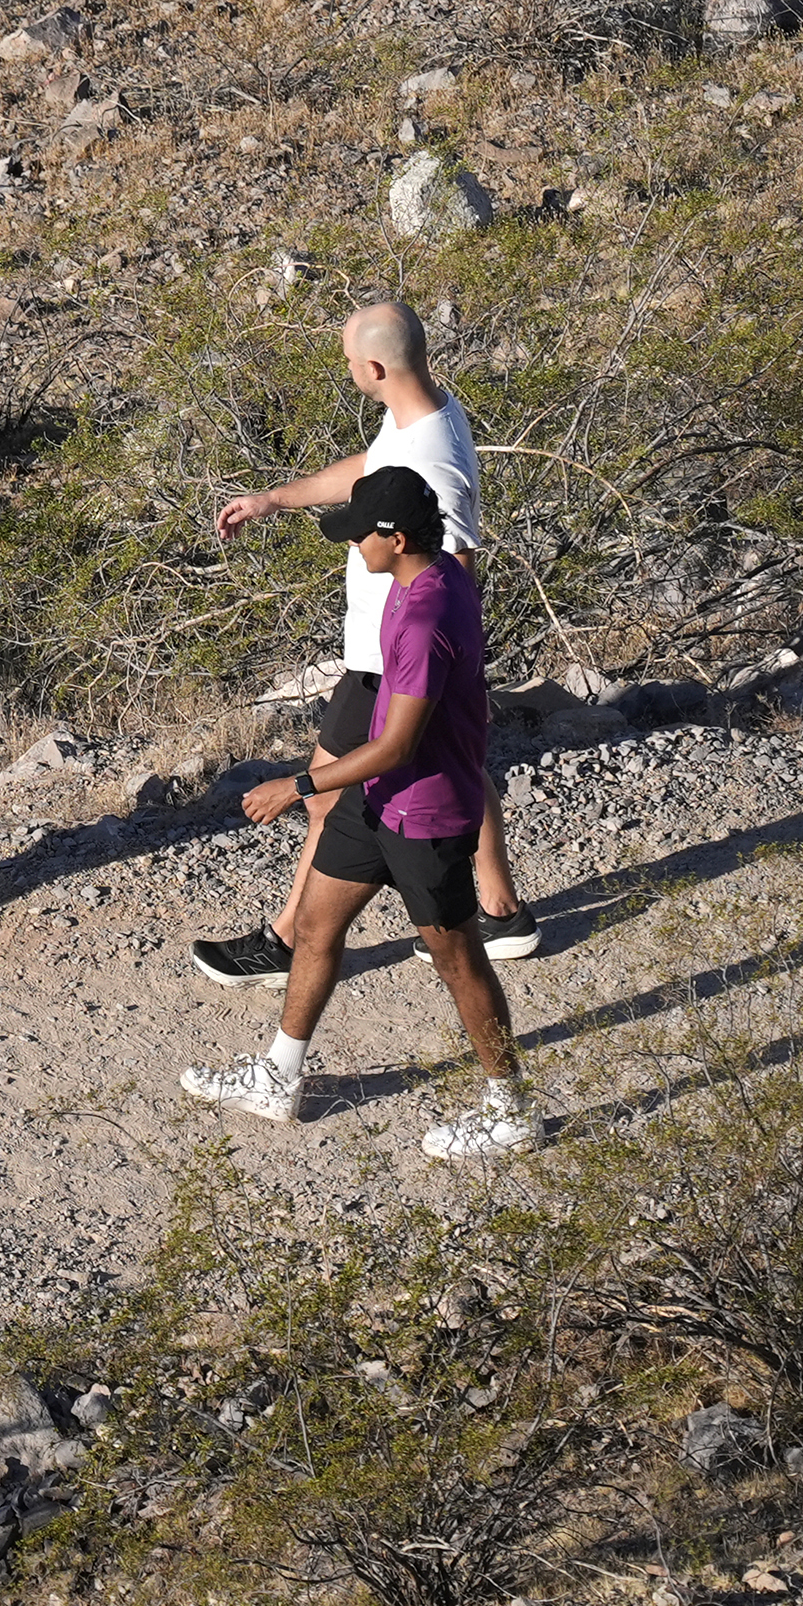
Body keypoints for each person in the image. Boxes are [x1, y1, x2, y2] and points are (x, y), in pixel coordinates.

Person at [182, 466, 538, 1160]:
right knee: (315, 926)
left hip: (426, 813)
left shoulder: (432, 612)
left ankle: (511, 1109)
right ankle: (278, 1078)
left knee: (458, 960)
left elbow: (398, 744)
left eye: (358, 538)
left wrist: (300, 785)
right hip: (376, 801)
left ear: (397, 537)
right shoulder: (421, 576)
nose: (352, 548)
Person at [189, 300, 538, 989]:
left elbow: (458, 561)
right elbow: (374, 468)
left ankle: (287, 940)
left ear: (374, 368)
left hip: (391, 659)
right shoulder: (421, 413)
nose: (348, 370)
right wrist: (275, 500)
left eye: (350, 362)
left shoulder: (434, 463)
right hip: (396, 653)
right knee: (459, 758)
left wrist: (456, 670)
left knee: (323, 797)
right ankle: (499, 910)